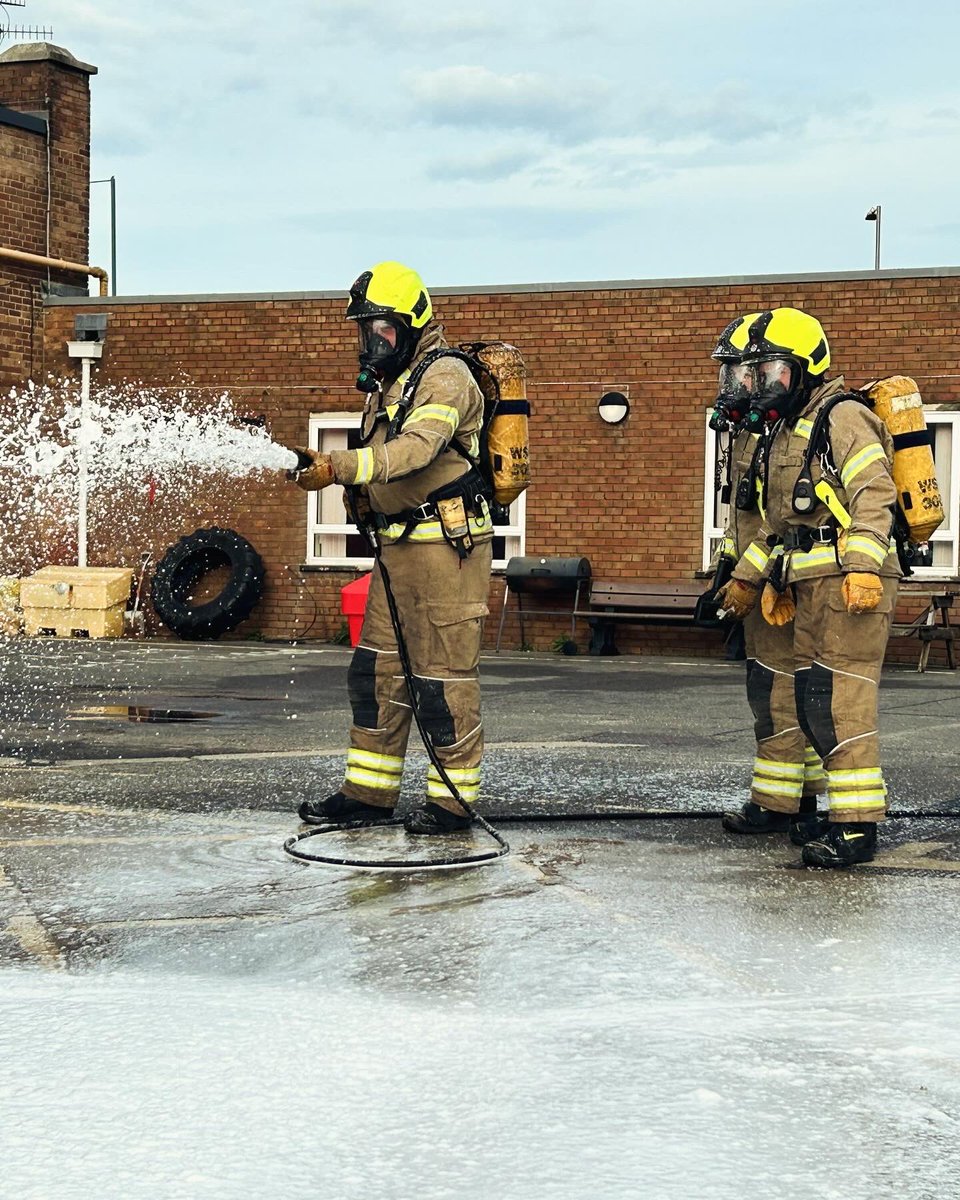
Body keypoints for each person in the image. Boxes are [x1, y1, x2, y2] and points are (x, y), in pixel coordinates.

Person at [291, 261, 494, 835]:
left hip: (447, 551)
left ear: (412, 324)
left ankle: (453, 803)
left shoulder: (446, 375)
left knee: (441, 679)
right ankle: (369, 794)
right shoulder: (391, 383)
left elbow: (417, 449)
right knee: (376, 672)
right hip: (396, 551)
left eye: (382, 329)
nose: (372, 341)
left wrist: (340, 466)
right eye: (366, 330)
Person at [719, 307, 900, 867]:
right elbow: (775, 522)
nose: (755, 385)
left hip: (848, 581)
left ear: (805, 368)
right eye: (748, 373)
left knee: (839, 699)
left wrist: (864, 566)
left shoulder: (841, 416)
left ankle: (856, 826)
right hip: (800, 579)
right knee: (795, 696)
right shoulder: (784, 429)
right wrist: (744, 577)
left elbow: (875, 493)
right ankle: (789, 803)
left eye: (768, 371)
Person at [707, 315, 826, 845]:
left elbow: (782, 522)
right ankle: (795, 799)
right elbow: (742, 516)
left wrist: (748, 575)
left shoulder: (802, 431)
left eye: (752, 373)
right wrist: (724, 571)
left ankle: (787, 804)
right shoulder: (757, 434)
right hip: (759, 581)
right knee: (776, 689)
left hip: (787, 582)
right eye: (737, 374)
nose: (743, 385)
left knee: (785, 692)